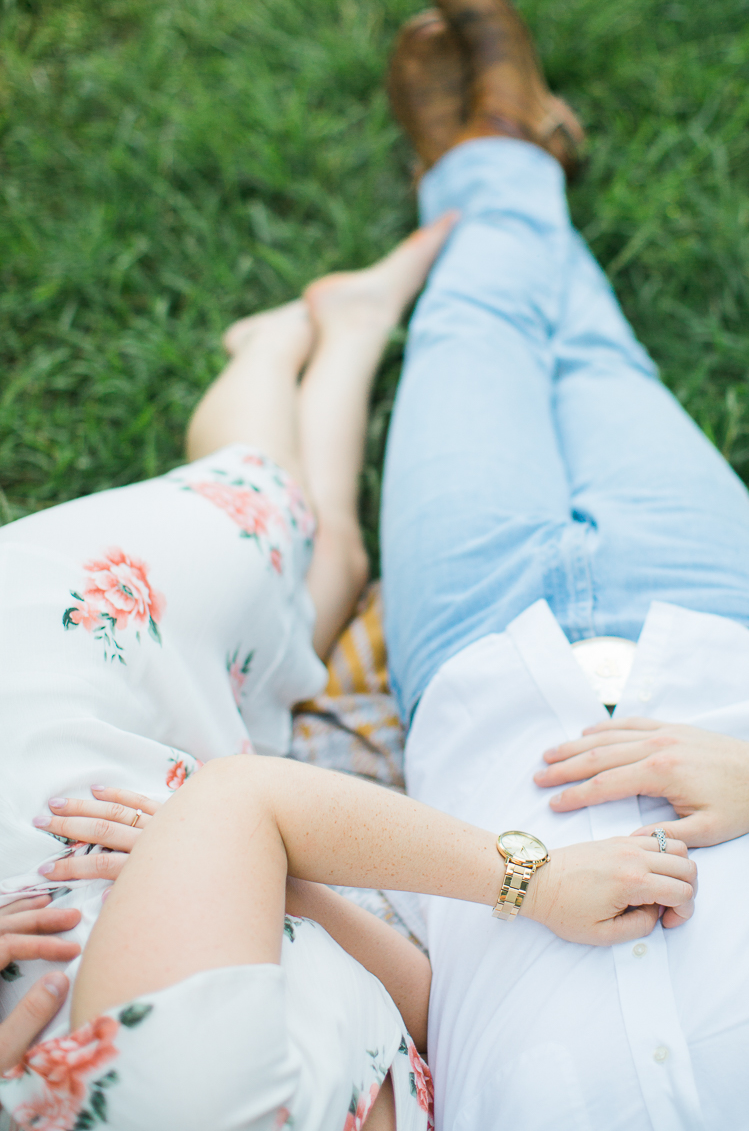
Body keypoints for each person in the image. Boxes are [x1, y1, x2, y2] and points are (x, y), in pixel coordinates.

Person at [0, 199, 698, 1128]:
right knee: (331, 577)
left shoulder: (192, 1104)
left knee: (262, 505)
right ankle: (356, 324)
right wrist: (245, 872)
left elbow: (245, 802)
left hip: (57, 684)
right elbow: (413, 1000)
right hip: (171, 812)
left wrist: (531, 879)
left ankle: (265, 348)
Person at [375, 0, 749, 1129]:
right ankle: (502, 155)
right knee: (599, 360)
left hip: (474, 643)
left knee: (474, 329)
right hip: (709, 624)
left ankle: (498, 159)